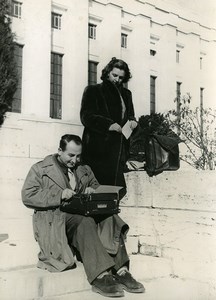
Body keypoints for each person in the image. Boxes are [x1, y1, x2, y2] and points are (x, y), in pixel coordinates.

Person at [21, 134, 145, 297]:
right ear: (60, 151)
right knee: (84, 221)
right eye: (71, 155)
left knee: (110, 216)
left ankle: (121, 271)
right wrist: (58, 195)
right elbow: (28, 195)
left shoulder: (84, 169)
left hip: (82, 215)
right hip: (56, 219)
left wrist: (92, 191)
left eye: (78, 156)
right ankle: (101, 276)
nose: (75, 160)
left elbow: (95, 186)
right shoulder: (41, 169)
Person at [80, 57, 137, 188]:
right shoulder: (93, 90)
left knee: (114, 193)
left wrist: (133, 122)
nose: (117, 80)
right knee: (96, 192)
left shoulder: (127, 94)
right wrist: (108, 125)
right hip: (98, 150)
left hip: (119, 152)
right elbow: (86, 117)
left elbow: (130, 115)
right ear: (107, 73)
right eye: (114, 75)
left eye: (121, 77)